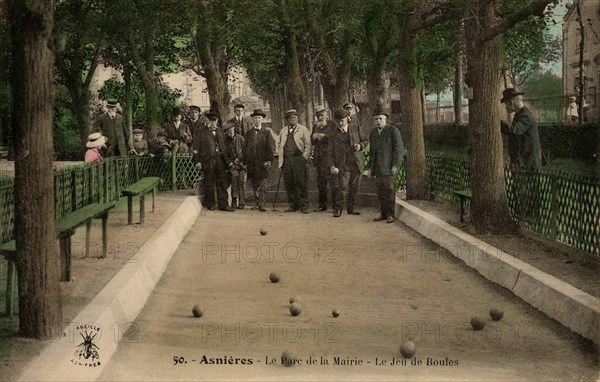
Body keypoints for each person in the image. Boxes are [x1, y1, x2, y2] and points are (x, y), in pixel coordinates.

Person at [327, 109, 368, 217]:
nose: (340, 123)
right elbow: (330, 152)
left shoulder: (356, 129)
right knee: (342, 187)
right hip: (342, 165)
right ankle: (338, 209)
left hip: (356, 163)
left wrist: (360, 146)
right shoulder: (333, 135)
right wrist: (332, 165)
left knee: (355, 187)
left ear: (348, 119)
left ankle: (351, 209)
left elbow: (365, 141)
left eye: (343, 121)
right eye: (338, 121)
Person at [369, 107, 406, 223]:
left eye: (380, 118)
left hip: (389, 167)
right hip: (378, 167)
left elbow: (398, 149)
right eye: (376, 119)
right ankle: (383, 213)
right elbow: (372, 152)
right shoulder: (373, 133)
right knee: (380, 191)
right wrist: (371, 168)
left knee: (389, 191)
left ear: (386, 119)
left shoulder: (393, 131)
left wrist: (395, 165)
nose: (378, 121)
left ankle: (390, 214)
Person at [192, 110, 235, 211]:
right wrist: (197, 161)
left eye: (214, 121)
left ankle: (224, 205)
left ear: (217, 121)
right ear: (207, 120)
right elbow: (195, 149)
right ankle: (210, 204)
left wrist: (228, 161)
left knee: (222, 182)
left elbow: (225, 148)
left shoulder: (220, 131)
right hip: (207, 160)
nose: (213, 123)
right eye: (211, 121)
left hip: (220, 160)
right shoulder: (200, 132)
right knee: (209, 182)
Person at [277, 109, 312, 214]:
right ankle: (293, 205)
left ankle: (304, 206)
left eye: (294, 117)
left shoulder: (303, 129)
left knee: (301, 183)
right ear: (287, 120)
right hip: (287, 161)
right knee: (289, 183)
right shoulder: (283, 131)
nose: (292, 119)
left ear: (297, 118)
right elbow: (279, 144)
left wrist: (304, 158)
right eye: (290, 118)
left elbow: (308, 145)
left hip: (298, 160)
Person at [500, 88, 542, 171]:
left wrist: (498, 123)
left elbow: (513, 130)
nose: (505, 107)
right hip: (523, 161)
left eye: (506, 104)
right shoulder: (520, 114)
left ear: (511, 103)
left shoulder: (525, 115)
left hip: (528, 163)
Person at [243, 109, 275, 212]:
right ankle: (256, 203)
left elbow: (270, 148)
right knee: (254, 184)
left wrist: (269, 161)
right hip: (252, 163)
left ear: (262, 120)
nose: (257, 120)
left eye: (259, 118)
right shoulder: (248, 133)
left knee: (263, 185)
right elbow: (245, 148)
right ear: (252, 120)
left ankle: (262, 204)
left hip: (263, 163)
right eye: (255, 118)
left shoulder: (266, 132)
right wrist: (245, 162)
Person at [311, 105, 336, 212]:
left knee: (333, 182)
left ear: (326, 114)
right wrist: (314, 137)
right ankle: (322, 204)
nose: (320, 118)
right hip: (320, 159)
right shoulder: (315, 126)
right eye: (318, 116)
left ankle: (335, 205)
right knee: (321, 183)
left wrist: (324, 136)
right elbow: (312, 141)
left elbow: (335, 137)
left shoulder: (332, 124)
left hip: (331, 158)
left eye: (321, 115)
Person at [223, 122, 246, 209]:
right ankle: (234, 200)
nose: (230, 132)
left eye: (232, 130)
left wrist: (240, 158)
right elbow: (224, 154)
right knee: (234, 178)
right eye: (228, 131)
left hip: (242, 165)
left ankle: (242, 202)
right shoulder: (225, 141)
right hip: (232, 166)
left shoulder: (240, 138)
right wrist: (230, 162)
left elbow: (245, 150)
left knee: (242, 181)